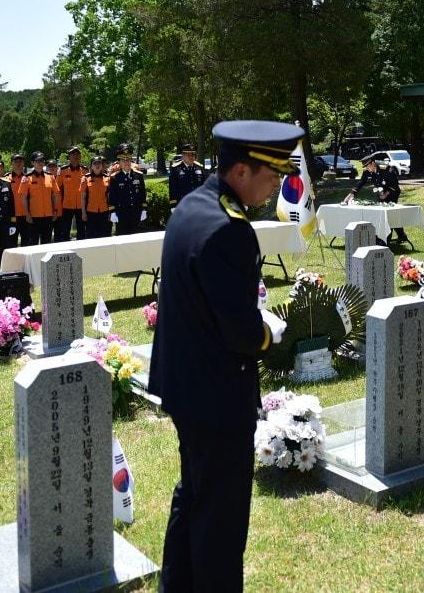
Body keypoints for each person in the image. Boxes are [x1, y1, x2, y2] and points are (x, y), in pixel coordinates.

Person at [155, 119, 296, 592]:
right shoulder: (231, 229)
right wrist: (269, 333)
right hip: (217, 394)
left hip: (185, 383)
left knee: (193, 495)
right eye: (271, 172)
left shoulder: (193, 206)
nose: (278, 182)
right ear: (240, 170)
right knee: (222, 516)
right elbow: (239, 334)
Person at [345, 156, 407, 244]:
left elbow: (394, 185)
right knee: (383, 214)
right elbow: (361, 182)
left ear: (373, 163)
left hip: (392, 193)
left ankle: (385, 240)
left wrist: (386, 194)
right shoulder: (368, 171)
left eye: (368, 166)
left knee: (389, 215)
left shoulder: (386, 169)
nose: (366, 168)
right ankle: (402, 236)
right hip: (381, 193)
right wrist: (352, 193)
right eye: (365, 167)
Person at [18, 152, 58, 246]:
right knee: (33, 243)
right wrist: (27, 214)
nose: (40, 163)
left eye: (42, 161)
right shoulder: (27, 178)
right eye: (38, 161)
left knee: (47, 242)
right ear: (32, 163)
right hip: (34, 216)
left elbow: (54, 195)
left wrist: (55, 211)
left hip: (48, 215)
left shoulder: (50, 176)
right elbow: (23, 198)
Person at [107, 144, 147, 235]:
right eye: (123, 160)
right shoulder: (114, 178)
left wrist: (144, 209)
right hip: (121, 214)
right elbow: (112, 196)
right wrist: (112, 212)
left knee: (136, 240)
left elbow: (143, 194)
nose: (126, 162)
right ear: (119, 163)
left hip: (136, 213)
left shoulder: (138, 175)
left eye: (128, 159)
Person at [54, 146, 87, 241]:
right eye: (73, 154)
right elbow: (57, 188)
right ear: (69, 156)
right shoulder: (63, 170)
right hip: (67, 205)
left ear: (80, 156)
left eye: (77, 154)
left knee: (82, 230)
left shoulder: (85, 170)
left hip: (81, 206)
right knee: (65, 230)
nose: (75, 156)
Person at [168, 144, 209, 210]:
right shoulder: (176, 169)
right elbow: (173, 188)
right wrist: (173, 205)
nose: (191, 157)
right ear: (183, 156)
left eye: (193, 155)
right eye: (188, 155)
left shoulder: (199, 167)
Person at [80, 155, 112, 238]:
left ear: (102, 166)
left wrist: (110, 212)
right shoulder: (85, 178)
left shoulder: (107, 178)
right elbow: (83, 197)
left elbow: (109, 197)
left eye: (99, 164)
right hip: (91, 211)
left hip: (104, 211)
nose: (97, 166)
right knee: (91, 235)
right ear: (91, 166)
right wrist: (83, 213)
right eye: (95, 164)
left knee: (104, 234)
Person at [7, 154, 30, 246]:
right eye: (15, 161)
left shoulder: (29, 178)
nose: (18, 163)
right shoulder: (6, 178)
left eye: (20, 161)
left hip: (26, 215)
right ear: (11, 163)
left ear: (24, 163)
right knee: (12, 242)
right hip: (12, 216)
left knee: (27, 241)